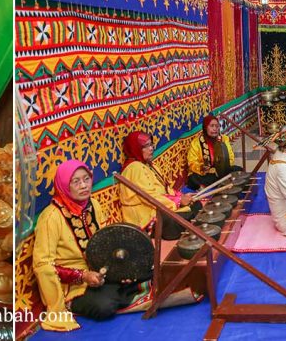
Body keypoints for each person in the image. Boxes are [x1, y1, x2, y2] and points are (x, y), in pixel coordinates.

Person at [33, 160, 140, 331]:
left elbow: (106, 241)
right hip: (73, 287)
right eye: (76, 181)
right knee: (104, 306)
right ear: (64, 186)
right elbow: (43, 265)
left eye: (86, 179)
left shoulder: (93, 205)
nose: (84, 186)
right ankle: (91, 300)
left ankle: (119, 288)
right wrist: (82, 276)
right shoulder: (51, 217)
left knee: (143, 269)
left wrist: (118, 267)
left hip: (100, 273)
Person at [118, 131, 197, 240]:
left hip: (158, 208)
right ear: (135, 148)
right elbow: (150, 198)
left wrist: (181, 197)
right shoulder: (134, 168)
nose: (151, 148)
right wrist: (178, 202)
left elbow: (164, 188)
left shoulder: (149, 165)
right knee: (180, 218)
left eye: (151, 144)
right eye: (145, 146)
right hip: (145, 217)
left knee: (194, 204)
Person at [186, 114, 244, 190]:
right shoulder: (196, 143)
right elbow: (192, 162)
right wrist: (202, 168)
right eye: (212, 126)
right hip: (206, 174)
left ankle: (216, 185)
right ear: (205, 127)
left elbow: (231, 157)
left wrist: (222, 168)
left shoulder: (224, 139)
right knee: (192, 179)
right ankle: (224, 184)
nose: (215, 129)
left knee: (238, 169)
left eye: (217, 126)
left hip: (223, 172)